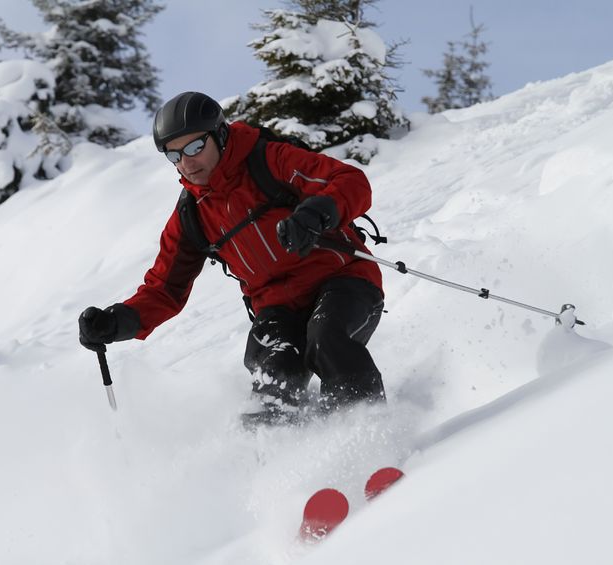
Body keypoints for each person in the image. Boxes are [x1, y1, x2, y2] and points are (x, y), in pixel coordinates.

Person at [79, 91, 386, 424]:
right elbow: (165, 289)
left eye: (195, 147)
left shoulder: (269, 160)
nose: (187, 162)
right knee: (274, 371)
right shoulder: (192, 215)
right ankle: (278, 457)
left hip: (344, 282)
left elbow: (350, 181)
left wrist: (316, 213)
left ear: (220, 134)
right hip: (277, 308)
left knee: (327, 339)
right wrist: (116, 321)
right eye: (174, 155)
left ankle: (364, 432)